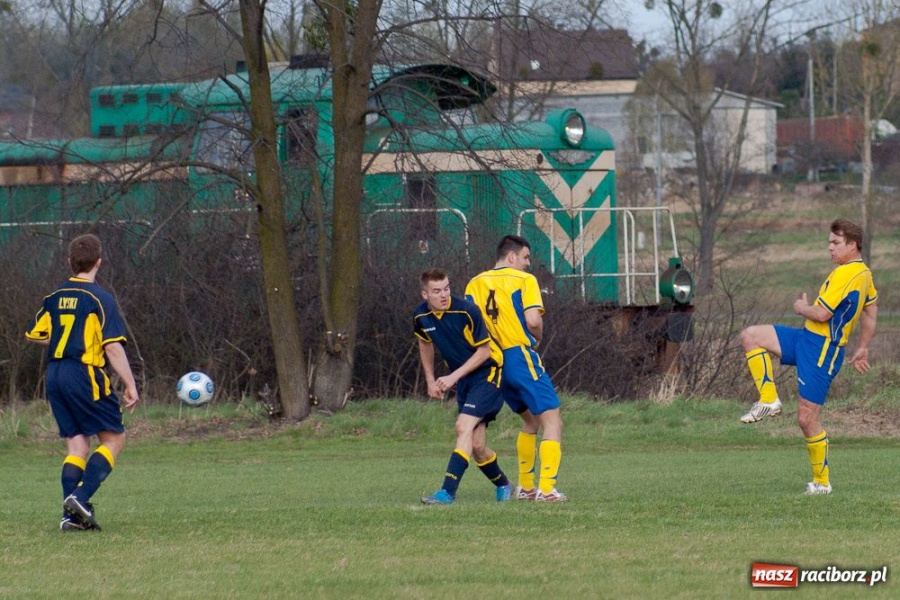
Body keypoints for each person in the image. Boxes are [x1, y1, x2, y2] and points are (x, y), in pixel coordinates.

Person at [739, 219, 877, 495]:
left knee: (806, 419)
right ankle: (769, 400)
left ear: (852, 245)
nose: (829, 248)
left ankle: (822, 483)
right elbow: (870, 312)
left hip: (823, 350)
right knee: (751, 336)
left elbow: (822, 314)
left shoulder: (846, 274)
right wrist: (863, 347)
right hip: (806, 339)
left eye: (835, 243)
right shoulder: (864, 274)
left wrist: (801, 307)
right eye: (829, 242)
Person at [25, 234, 140, 530]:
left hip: (55, 374)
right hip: (84, 374)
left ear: (69, 262)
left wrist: (67, 338)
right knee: (114, 439)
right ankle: (80, 495)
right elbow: (113, 347)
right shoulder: (100, 298)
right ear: (98, 263)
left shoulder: (53, 298)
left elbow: (38, 335)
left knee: (77, 445)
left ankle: (71, 517)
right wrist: (130, 384)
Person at [465, 235, 566, 502]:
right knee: (552, 420)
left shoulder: (475, 283)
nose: (527, 264)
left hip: (493, 361)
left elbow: (469, 327)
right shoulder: (524, 280)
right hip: (519, 354)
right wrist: (539, 336)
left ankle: (525, 486)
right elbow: (533, 320)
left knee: (531, 421)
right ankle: (546, 489)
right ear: (512, 257)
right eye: (525, 258)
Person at [414, 268, 513, 505]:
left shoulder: (467, 311)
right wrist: (430, 380)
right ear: (424, 294)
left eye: (446, 288)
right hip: (466, 378)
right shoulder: (420, 317)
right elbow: (424, 344)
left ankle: (447, 492)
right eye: (436, 291)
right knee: (477, 445)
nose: (443, 295)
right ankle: (504, 484)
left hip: (488, 370)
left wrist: (452, 378)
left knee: (462, 426)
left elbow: (484, 351)